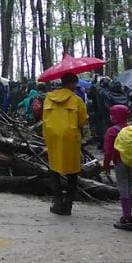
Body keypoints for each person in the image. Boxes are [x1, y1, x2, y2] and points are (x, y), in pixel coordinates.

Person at [42, 72, 89, 215]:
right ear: (72, 84)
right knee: (72, 172)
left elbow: (44, 119)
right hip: (70, 139)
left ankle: (57, 203)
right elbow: (82, 121)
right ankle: (68, 205)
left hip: (53, 138)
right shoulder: (77, 100)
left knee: (55, 170)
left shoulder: (48, 99)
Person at [102, 103, 132, 231]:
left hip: (119, 161)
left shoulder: (112, 131)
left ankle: (127, 218)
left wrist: (106, 166)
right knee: (129, 186)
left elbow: (108, 151)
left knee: (122, 187)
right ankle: (128, 213)